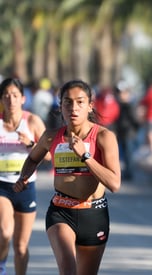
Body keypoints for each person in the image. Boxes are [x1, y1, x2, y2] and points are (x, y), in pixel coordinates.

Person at [13, 79, 121, 275]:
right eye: (67, 102)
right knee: (68, 270)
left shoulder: (104, 136)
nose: (73, 108)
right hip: (61, 212)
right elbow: (32, 159)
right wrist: (24, 177)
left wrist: (85, 156)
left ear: (90, 106)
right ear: (60, 105)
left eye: (80, 102)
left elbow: (114, 183)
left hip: (93, 214)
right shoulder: (50, 136)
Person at [0, 77, 50, 275]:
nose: (10, 100)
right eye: (6, 96)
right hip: (2, 186)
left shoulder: (32, 121)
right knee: (4, 231)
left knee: (21, 247)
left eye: (15, 95)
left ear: (22, 98)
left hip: (26, 187)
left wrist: (31, 144)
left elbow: (50, 155)